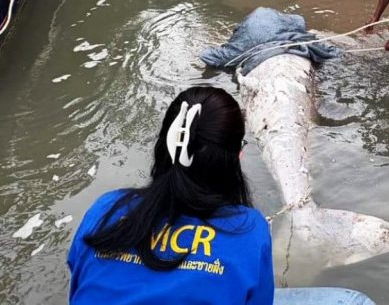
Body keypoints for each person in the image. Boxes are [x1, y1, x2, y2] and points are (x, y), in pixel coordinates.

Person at [68, 87, 274, 304]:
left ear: (163, 147)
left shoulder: (106, 209)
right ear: (234, 158)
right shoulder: (249, 230)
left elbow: (78, 287)